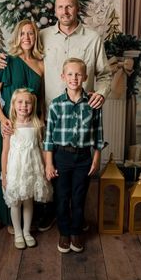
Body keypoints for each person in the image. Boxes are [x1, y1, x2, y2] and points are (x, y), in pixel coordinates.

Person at [0, 0, 111, 231]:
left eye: (69, 7)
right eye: (60, 7)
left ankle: (75, 216)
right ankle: (50, 213)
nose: (65, 11)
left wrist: (101, 92)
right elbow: (23, 52)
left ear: (77, 8)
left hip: (80, 116)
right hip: (47, 114)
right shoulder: (43, 36)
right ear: (54, 10)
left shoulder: (92, 38)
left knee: (78, 168)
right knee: (48, 166)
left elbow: (105, 75)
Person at [44, 58, 106, 253]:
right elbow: (48, 138)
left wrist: (96, 158)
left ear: (85, 77)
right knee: (62, 196)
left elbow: (98, 133)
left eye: (78, 74)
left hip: (83, 158)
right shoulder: (55, 105)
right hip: (61, 157)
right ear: (63, 77)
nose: (74, 78)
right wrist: (48, 164)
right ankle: (64, 231)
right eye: (70, 74)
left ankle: (76, 231)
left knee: (78, 196)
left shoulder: (93, 103)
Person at [0, 19, 45, 233]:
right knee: (11, 170)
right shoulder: (6, 61)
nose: (27, 38)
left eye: (31, 33)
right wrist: (3, 119)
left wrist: (42, 123)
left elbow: (41, 98)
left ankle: (32, 220)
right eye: (22, 34)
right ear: (17, 36)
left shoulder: (41, 64)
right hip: (10, 124)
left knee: (31, 169)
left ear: (36, 37)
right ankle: (10, 219)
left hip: (32, 126)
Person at [1, 88, 52, 249]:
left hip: (32, 170)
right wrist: (4, 174)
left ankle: (27, 231)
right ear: (14, 105)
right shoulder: (10, 125)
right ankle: (17, 233)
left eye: (28, 102)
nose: (24, 106)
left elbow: (42, 148)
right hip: (16, 171)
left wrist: (45, 168)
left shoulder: (37, 124)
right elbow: (5, 151)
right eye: (20, 102)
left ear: (33, 105)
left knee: (29, 201)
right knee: (15, 202)